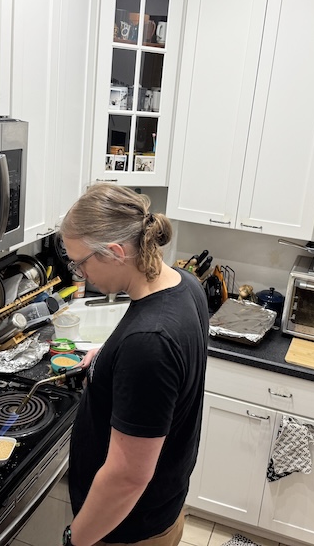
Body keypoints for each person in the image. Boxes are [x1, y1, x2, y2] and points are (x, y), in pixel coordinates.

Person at [59, 184, 209, 546]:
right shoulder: (184, 285)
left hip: (126, 530)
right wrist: (108, 360)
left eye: (80, 263)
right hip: (160, 509)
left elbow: (127, 477)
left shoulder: (149, 343)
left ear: (113, 253)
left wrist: (76, 538)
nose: (80, 275)